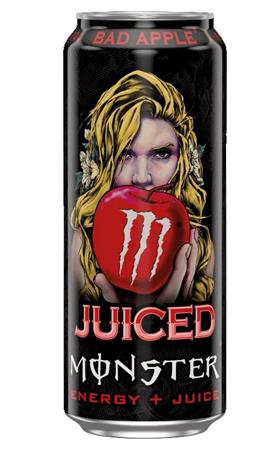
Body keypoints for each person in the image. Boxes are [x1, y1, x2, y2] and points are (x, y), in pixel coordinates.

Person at [71, 70, 214, 304]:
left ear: (183, 160)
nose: (141, 177)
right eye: (124, 154)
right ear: (104, 161)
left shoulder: (201, 247)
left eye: (161, 154)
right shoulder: (82, 245)